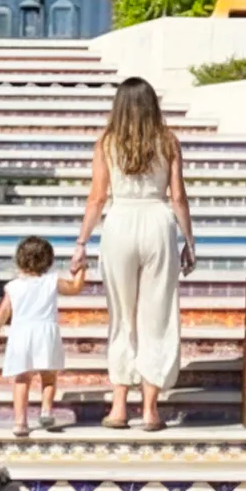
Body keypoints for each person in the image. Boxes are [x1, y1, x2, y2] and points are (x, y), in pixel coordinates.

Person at [70, 76, 196, 432]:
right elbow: (178, 198)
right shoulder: (168, 141)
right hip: (158, 222)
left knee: (122, 317)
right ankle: (151, 411)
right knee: (156, 318)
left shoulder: (107, 143)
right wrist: (190, 241)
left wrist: (81, 243)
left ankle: (119, 407)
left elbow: (96, 198)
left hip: (120, 222)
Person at [0, 236, 85, 438]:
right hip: (45, 333)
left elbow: (4, 311)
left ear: (19, 260)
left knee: (22, 379)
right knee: (48, 377)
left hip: (21, 334)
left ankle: (20, 422)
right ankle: (46, 411)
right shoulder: (52, 281)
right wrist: (81, 269)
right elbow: (75, 288)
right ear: (48, 261)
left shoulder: (13, 286)